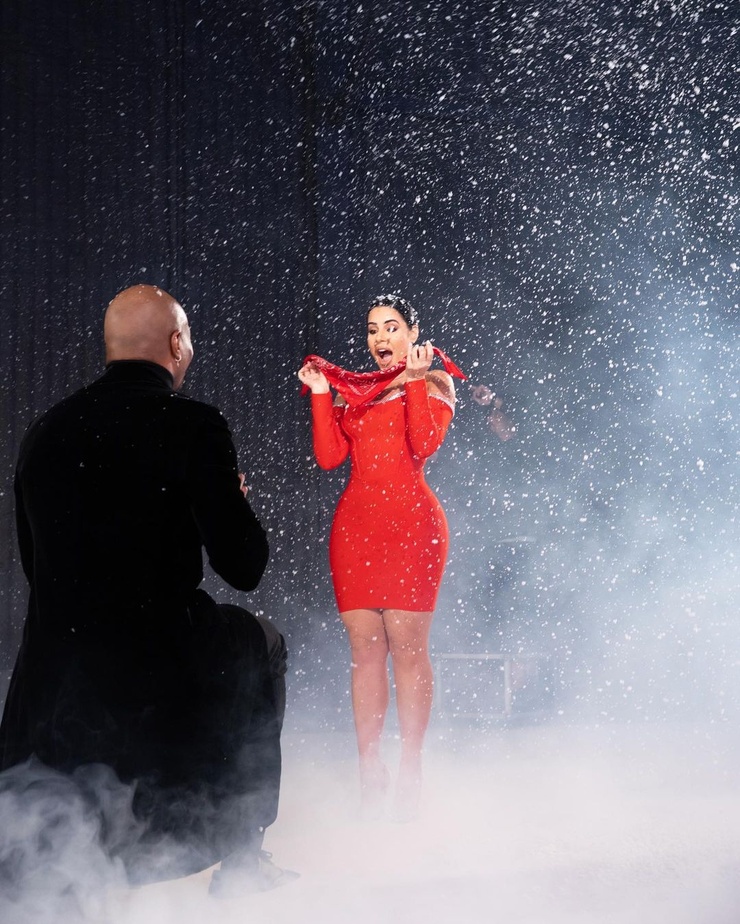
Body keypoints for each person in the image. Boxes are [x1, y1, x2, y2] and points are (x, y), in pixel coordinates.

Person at [0, 284, 295, 898]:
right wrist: (231, 502)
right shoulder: (194, 425)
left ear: (110, 347)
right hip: (159, 660)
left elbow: (36, 566)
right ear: (176, 343)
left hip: (53, 673)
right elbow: (244, 567)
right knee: (262, 641)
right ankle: (243, 860)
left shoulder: (44, 432)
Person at [298, 294, 458, 821]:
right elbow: (329, 458)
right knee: (365, 651)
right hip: (356, 530)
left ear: (413, 333)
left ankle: (411, 763)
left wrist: (413, 380)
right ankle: (369, 766)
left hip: (412, 528)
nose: (380, 337)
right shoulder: (358, 391)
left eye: (391, 327)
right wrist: (322, 393)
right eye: (372, 329)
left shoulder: (434, 381)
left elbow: (424, 443)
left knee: (408, 649)